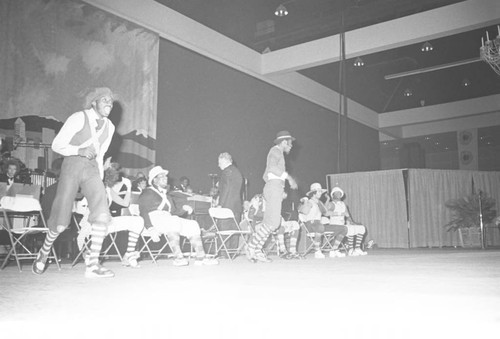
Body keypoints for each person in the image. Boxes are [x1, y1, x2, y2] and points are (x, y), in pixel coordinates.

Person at [33, 87, 117, 278]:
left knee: (102, 213)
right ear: (94, 102)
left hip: (92, 169)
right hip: (72, 165)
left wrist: (100, 180)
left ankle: (93, 265)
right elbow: (57, 144)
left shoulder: (110, 127)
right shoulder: (79, 117)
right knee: (61, 220)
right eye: (104, 100)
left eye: (111, 101)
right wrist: (78, 150)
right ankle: (44, 252)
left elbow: (101, 153)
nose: (109, 104)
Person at [137, 166, 218, 266]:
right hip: (153, 219)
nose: (165, 178)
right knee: (173, 221)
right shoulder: (148, 192)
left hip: (168, 219)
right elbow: (143, 212)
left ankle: (201, 257)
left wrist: (183, 209)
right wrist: (150, 228)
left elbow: (173, 213)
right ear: (154, 180)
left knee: (193, 224)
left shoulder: (167, 196)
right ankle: (178, 257)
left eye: (165, 176)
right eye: (161, 176)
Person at [246, 130, 298, 263]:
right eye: (290, 143)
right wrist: (289, 179)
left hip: (273, 187)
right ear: (284, 142)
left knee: (269, 223)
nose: (291, 146)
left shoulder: (275, 152)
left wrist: (278, 187)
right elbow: (272, 169)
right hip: (273, 188)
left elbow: (265, 175)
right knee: (273, 223)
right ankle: (251, 247)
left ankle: (257, 250)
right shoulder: (276, 151)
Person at [246, 192, 301, 259]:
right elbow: (250, 216)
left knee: (295, 224)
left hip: (274, 224)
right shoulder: (258, 199)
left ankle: (292, 251)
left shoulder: (275, 201)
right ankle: (282, 250)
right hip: (259, 224)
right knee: (275, 223)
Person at [299, 183, 347, 259]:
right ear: (313, 193)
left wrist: (340, 213)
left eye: (321, 191)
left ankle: (334, 249)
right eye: (319, 191)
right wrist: (305, 202)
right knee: (320, 227)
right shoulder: (309, 202)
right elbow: (303, 212)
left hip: (319, 224)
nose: (321, 193)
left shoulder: (319, 202)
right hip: (310, 224)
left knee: (343, 228)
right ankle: (317, 251)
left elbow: (326, 213)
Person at [325, 186, 367, 256]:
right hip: (335, 225)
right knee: (350, 229)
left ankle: (357, 248)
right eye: (336, 193)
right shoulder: (331, 204)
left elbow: (347, 215)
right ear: (333, 195)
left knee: (361, 228)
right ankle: (351, 250)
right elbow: (325, 212)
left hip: (343, 224)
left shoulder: (343, 204)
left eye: (340, 193)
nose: (338, 194)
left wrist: (351, 221)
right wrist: (328, 199)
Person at [216, 152, 243, 254]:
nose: (218, 165)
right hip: (236, 206)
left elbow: (226, 189)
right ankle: (231, 254)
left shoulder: (226, 171)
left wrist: (220, 204)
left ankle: (223, 254)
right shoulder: (237, 172)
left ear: (224, 161)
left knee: (224, 231)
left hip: (226, 206)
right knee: (234, 232)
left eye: (219, 162)